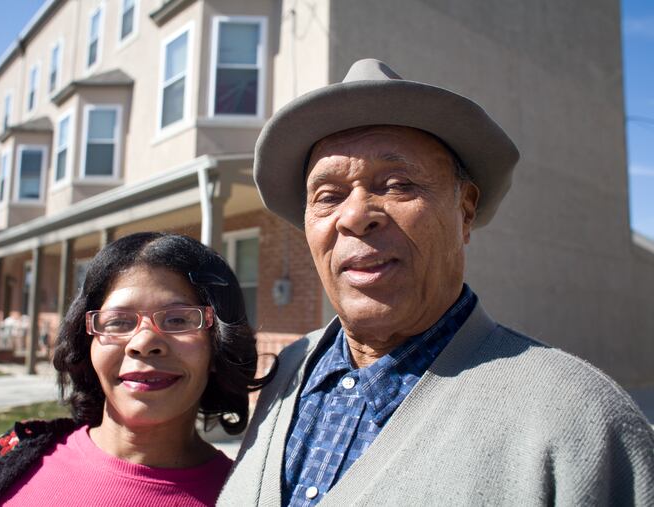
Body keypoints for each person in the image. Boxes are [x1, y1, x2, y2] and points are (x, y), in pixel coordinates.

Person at [219, 59, 654, 505]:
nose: (354, 216)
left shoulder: (580, 419)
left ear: (464, 210)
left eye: (396, 184)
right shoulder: (286, 374)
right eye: (327, 196)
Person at [0, 232, 274, 507]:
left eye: (178, 319)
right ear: (86, 341)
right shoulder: (16, 455)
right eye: (119, 322)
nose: (144, 342)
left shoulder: (243, 497)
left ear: (219, 344)